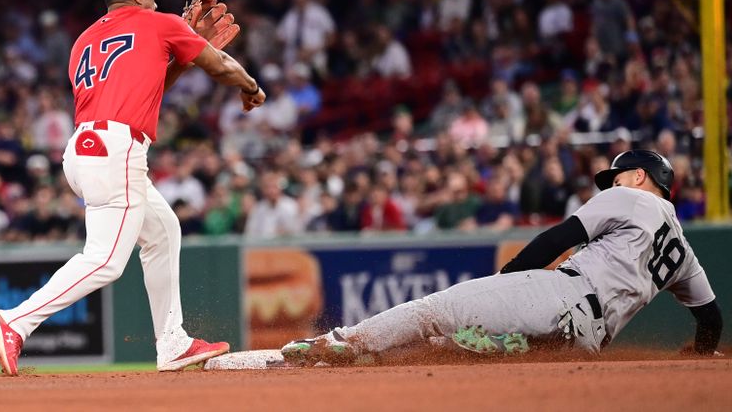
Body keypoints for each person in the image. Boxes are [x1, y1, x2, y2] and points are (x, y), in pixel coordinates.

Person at [0, 0, 265, 376]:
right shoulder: (161, 24)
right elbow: (221, 65)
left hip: (84, 149)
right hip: (116, 149)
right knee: (106, 260)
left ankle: (173, 341)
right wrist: (252, 87)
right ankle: (16, 321)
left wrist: (181, 55)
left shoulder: (83, 40)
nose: (157, 0)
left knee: (163, 231)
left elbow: (148, 85)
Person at [281, 150, 722, 365]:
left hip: (561, 296)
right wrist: (703, 355)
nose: (612, 184)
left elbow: (560, 237)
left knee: (433, 312)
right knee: (444, 351)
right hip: (584, 343)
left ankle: (339, 343)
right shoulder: (683, 250)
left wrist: (507, 278)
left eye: (618, 176)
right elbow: (711, 320)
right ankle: (365, 356)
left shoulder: (631, 198)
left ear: (639, 175)